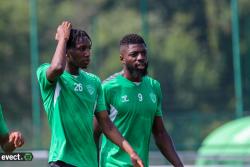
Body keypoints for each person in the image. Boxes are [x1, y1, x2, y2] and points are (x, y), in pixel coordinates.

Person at [36, 21, 143, 167]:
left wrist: (131, 152)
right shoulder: (49, 75)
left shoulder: (94, 82)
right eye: (81, 49)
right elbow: (58, 67)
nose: (87, 53)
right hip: (62, 160)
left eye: (89, 48)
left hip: (89, 163)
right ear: (67, 51)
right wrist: (63, 39)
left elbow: (106, 124)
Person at [95, 34, 184, 167]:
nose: (141, 58)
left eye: (143, 53)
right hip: (112, 164)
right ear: (122, 59)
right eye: (134, 54)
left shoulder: (154, 87)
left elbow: (160, 133)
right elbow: (94, 133)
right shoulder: (108, 88)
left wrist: (179, 165)